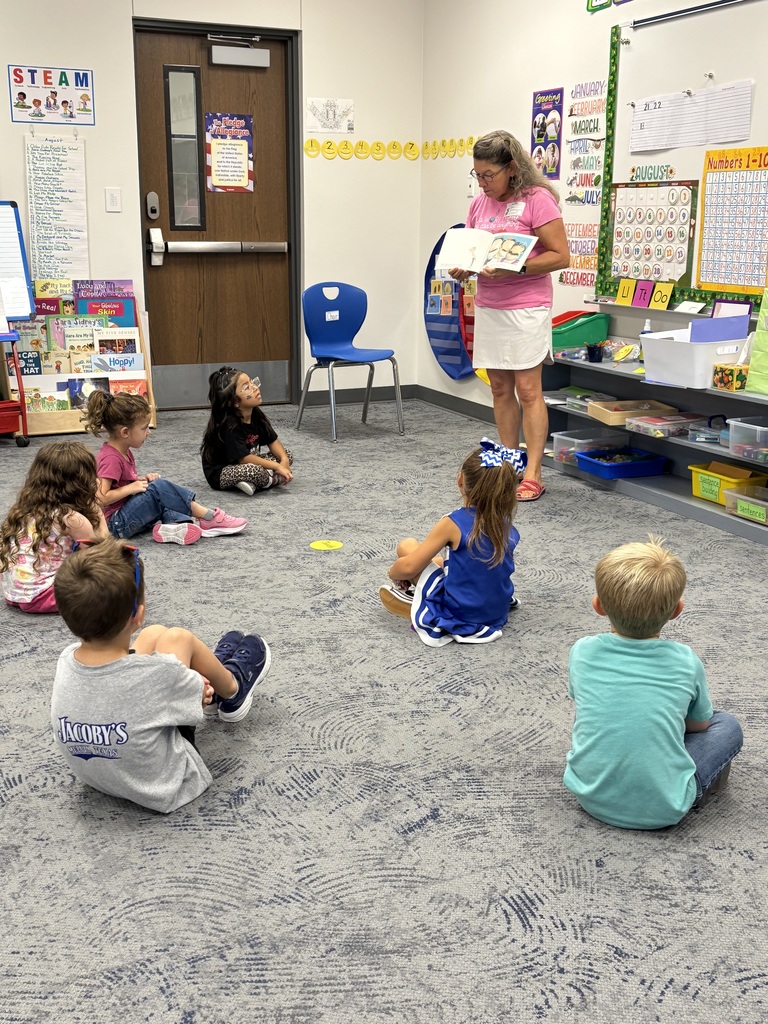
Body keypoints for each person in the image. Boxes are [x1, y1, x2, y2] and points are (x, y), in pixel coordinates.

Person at [51, 537, 271, 813]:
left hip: (98, 776)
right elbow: (201, 693)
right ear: (138, 614)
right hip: (160, 784)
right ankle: (233, 688)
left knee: (155, 635)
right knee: (178, 638)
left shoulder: (66, 658)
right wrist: (199, 689)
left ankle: (216, 672)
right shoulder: (161, 676)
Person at [564, 537, 743, 830]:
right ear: (677, 610)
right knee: (726, 725)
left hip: (589, 795)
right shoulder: (685, 660)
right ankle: (690, 788)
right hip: (665, 808)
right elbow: (698, 726)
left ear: (598, 606)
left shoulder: (582, 650)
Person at [450, 130, 570, 501]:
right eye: (477, 175)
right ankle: (507, 465)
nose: (483, 183)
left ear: (512, 169)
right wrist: (465, 268)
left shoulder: (538, 200)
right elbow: (475, 250)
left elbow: (561, 256)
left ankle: (534, 471)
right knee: (499, 387)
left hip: (526, 307)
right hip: (490, 306)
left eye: (489, 175)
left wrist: (516, 269)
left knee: (529, 390)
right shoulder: (479, 205)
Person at [379, 438, 524, 647]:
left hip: (462, 612)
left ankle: (419, 605)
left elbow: (409, 566)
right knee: (434, 558)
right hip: (496, 611)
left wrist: (394, 574)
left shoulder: (452, 523)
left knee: (407, 547)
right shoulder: (504, 522)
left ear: (460, 481)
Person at [82, 390, 247, 544]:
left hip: (125, 517)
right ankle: (209, 517)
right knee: (159, 489)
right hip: (116, 525)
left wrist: (139, 481)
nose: (149, 432)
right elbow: (101, 498)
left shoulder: (123, 451)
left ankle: (177, 526)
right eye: (144, 428)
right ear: (125, 432)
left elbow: (120, 484)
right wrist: (132, 488)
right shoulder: (110, 458)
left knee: (164, 496)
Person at [0, 441, 108, 613]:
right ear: (82, 483)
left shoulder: (24, 509)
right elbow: (102, 551)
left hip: (15, 592)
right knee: (112, 579)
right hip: (44, 595)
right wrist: (98, 509)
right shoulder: (71, 518)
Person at [201, 366, 294, 496]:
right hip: (223, 471)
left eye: (252, 382)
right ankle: (269, 479)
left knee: (287, 454)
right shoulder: (229, 425)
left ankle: (259, 482)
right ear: (234, 402)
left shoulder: (255, 414)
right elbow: (244, 458)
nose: (255, 387)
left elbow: (272, 440)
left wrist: (283, 460)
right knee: (255, 471)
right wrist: (278, 467)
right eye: (247, 387)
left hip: (249, 460)